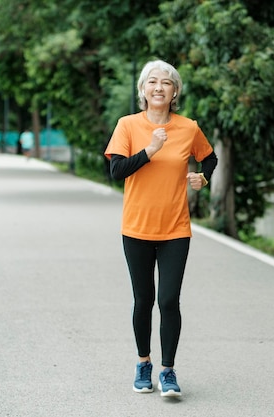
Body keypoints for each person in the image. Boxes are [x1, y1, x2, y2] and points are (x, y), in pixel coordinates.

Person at [104, 60, 217, 397]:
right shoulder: (127, 126)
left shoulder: (188, 128)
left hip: (175, 229)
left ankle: (168, 371)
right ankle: (143, 363)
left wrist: (203, 177)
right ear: (142, 90)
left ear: (175, 92)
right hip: (136, 227)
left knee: (168, 300)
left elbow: (209, 157)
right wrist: (150, 149)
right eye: (151, 82)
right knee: (144, 299)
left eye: (166, 83)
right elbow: (117, 170)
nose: (158, 87)